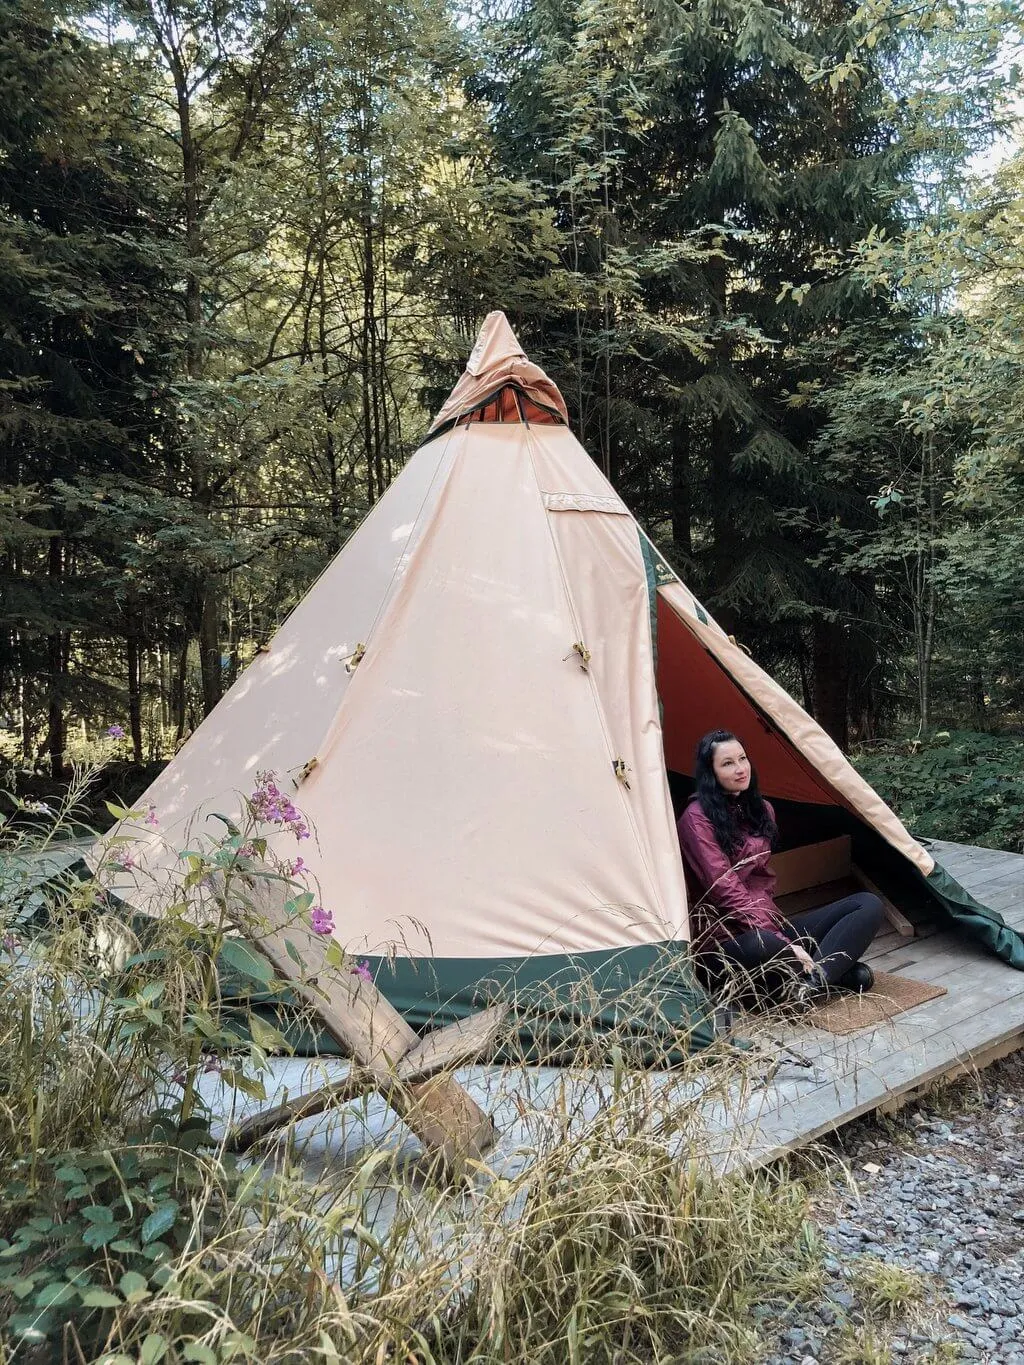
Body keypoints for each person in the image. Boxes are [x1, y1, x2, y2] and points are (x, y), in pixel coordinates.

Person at [676, 729, 883, 1008]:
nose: (740, 769)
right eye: (727, 763)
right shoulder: (696, 820)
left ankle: (811, 984)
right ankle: (831, 975)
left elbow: (761, 884)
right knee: (765, 944)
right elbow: (725, 892)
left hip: (771, 926)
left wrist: (784, 937)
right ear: (710, 773)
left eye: (743, 758)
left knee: (867, 905)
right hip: (725, 943)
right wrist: (784, 943)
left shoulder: (761, 810)